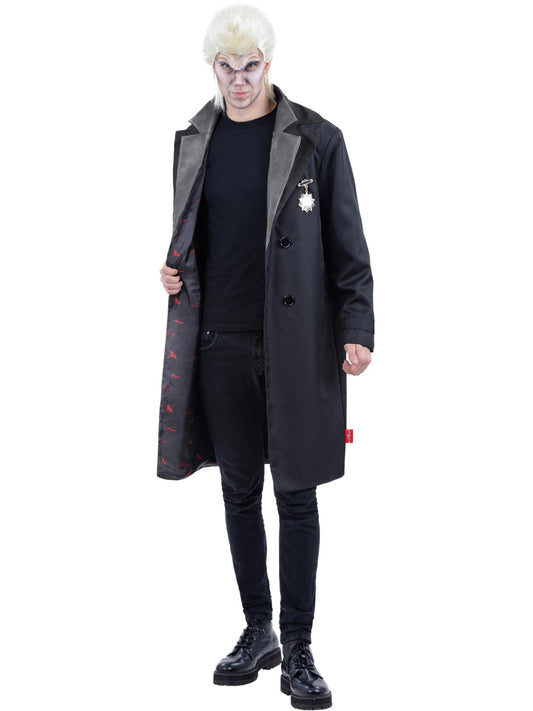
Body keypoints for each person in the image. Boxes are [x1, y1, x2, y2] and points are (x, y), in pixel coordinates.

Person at [158, 4, 374, 709]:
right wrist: (173, 272)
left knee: (296, 495)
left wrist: (357, 327)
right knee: (238, 491)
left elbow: (349, 249)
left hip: (296, 345)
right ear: (212, 68)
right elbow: (193, 235)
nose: (240, 79)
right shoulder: (193, 140)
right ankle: (259, 631)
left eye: (251, 66)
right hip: (218, 342)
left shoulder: (316, 139)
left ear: (269, 64)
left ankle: (300, 648)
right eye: (227, 67)